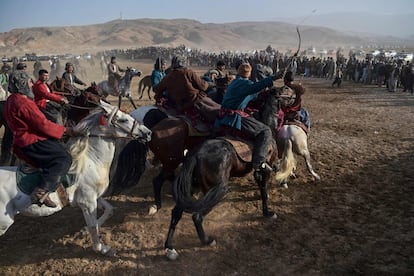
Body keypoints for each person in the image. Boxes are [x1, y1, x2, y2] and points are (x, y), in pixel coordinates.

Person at [5, 68, 73, 208]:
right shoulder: (23, 102)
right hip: (31, 141)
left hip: (21, 141)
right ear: (22, 83)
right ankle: (41, 191)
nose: (31, 85)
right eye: (29, 82)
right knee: (63, 158)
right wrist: (64, 130)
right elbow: (42, 124)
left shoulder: (11, 99)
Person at [215, 62, 281, 174]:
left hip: (223, 115)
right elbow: (254, 87)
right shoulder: (244, 84)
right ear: (249, 73)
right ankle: (259, 162)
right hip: (234, 117)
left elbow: (252, 92)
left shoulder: (235, 82)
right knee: (265, 131)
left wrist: (263, 90)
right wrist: (273, 78)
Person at [155, 55, 219, 121]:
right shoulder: (188, 72)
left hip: (178, 105)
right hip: (194, 101)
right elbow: (203, 86)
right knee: (219, 110)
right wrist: (210, 84)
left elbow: (158, 89)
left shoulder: (168, 76)